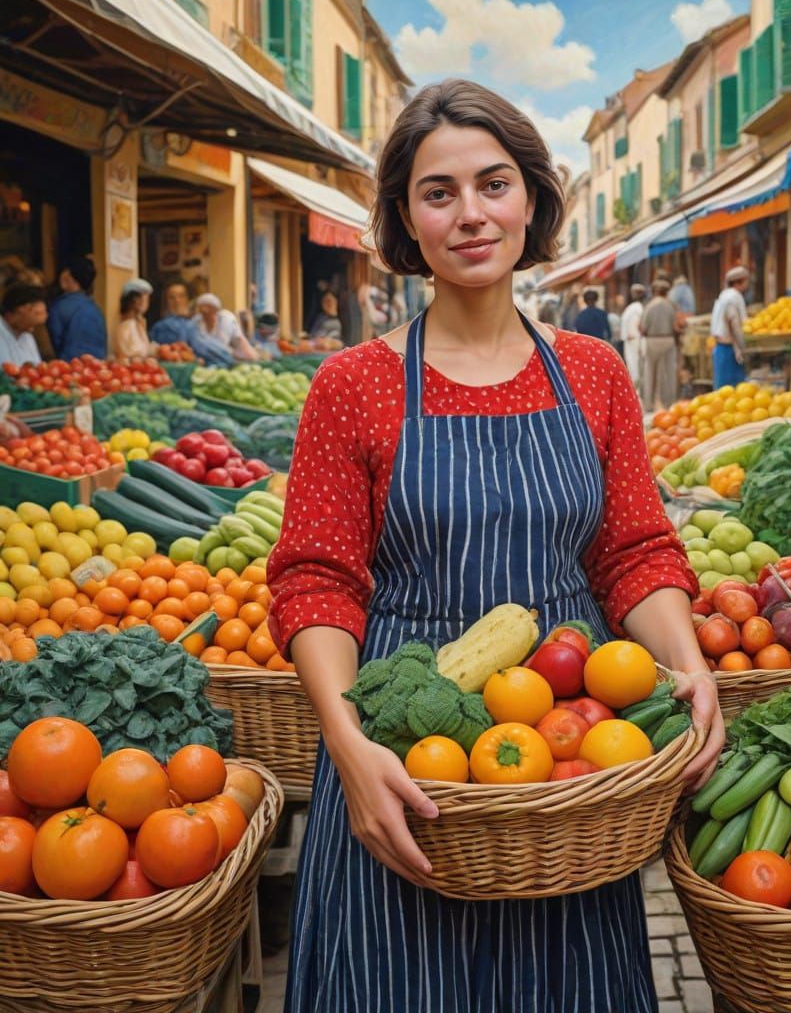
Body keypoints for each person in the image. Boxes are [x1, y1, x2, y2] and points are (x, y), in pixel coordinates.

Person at [266, 77, 723, 1013]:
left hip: (571, 736)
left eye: (494, 183)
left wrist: (687, 666)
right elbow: (316, 580)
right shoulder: (352, 384)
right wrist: (347, 746)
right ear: (407, 219)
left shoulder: (593, 371)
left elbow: (634, 550)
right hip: (402, 739)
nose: (471, 214)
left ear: (531, 199)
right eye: (439, 193)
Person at [149, 281, 234, 367]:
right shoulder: (162, 327)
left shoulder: (194, 322)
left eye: (181, 296)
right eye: (172, 297)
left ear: (188, 299)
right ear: (166, 302)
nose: (177, 300)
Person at [47, 257, 107, 360]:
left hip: (70, 365)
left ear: (68, 277)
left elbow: (54, 342)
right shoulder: (96, 309)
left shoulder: (58, 307)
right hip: (96, 365)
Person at [640, 278, 679, 411]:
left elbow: (643, 328)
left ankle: (649, 404)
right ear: (667, 292)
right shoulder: (671, 306)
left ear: (654, 291)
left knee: (649, 373)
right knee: (669, 374)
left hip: (652, 341)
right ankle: (669, 404)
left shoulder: (649, 306)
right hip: (668, 340)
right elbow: (676, 327)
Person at [710, 266, 749, 389]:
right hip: (729, 349)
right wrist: (739, 347)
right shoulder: (734, 297)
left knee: (722, 390)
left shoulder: (724, 295)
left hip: (720, 348)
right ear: (740, 281)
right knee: (733, 390)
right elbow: (733, 322)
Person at [194, 292, 260, 362]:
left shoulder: (225, 318)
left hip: (241, 355)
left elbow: (221, 345)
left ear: (214, 309)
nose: (203, 312)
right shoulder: (198, 321)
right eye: (201, 309)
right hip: (222, 357)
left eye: (206, 309)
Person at [0, 283, 45, 367]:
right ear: (18, 311)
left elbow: (37, 368)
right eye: (35, 313)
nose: (34, 327)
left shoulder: (27, 336)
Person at [113, 278, 155, 362]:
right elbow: (124, 353)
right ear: (134, 300)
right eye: (145, 298)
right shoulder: (125, 326)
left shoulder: (140, 323)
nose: (146, 302)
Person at [620, 283, 646, 388]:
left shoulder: (638, 308)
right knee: (632, 363)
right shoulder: (635, 307)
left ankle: (636, 386)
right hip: (631, 339)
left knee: (634, 363)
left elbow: (640, 323)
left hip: (634, 338)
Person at [608, 292, 625, 357]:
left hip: (622, 340)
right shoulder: (611, 315)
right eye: (620, 300)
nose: (622, 302)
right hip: (614, 341)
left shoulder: (624, 313)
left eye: (623, 300)